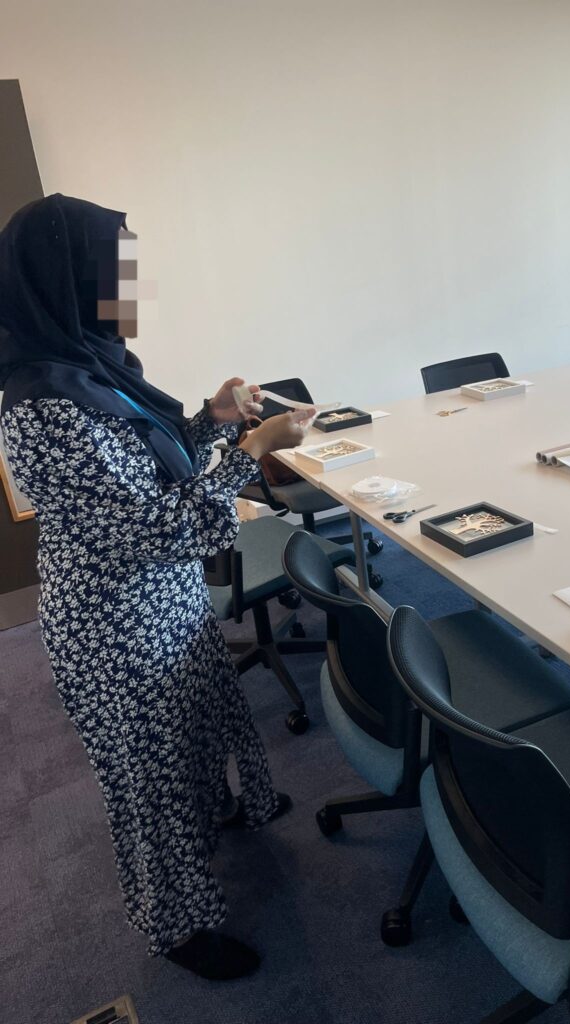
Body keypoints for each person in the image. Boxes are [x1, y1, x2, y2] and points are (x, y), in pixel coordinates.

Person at [0, 194, 314, 980]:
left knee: (195, 730)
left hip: (161, 602)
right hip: (114, 627)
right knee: (150, 782)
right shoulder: (39, 406)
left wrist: (214, 417)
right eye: (118, 273)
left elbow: (155, 463)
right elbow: (155, 526)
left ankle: (216, 813)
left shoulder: (91, 367)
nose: (132, 292)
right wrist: (250, 453)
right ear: (67, 281)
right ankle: (174, 926)